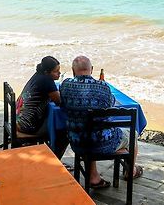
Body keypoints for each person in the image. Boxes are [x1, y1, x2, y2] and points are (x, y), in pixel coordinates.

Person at [60, 55, 143, 188]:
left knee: (89, 131)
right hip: (103, 144)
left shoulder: (65, 85)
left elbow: (62, 103)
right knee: (132, 133)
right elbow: (112, 102)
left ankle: (94, 177)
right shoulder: (103, 88)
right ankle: (131, 171)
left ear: (73, 70)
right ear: (91, 69)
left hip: (77, 142)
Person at [16, 56, 68, 159]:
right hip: (28, 126)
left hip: (19, 120)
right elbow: (59, 101)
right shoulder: (47, 81)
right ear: (47, 72)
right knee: (63, 130)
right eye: (56, 71)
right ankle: (54, 159)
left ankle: (48, 155)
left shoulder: (37, 75)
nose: (59, 73)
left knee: (52, 120)